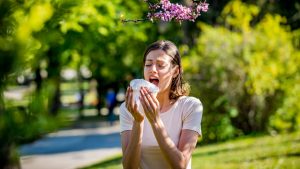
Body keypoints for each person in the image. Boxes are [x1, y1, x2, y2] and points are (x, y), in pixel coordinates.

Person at [120, 40, 203, 169]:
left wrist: (155, 121)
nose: (153, 70)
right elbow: (129, 167)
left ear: (175, 71)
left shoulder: (191, 106)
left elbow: (181, 165)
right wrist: (138, 121)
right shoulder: (128, 109)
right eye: (148, 64)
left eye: (160, 65)